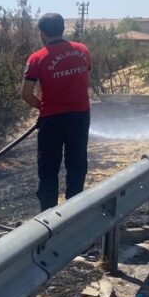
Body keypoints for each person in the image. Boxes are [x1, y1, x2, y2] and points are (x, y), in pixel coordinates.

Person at [21, 13, 92, 211]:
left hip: (51, 121)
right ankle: (74, 213)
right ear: (63, 28)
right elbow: (84, 79)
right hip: (80, 117)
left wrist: (43, 106)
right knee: (77, 166)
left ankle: (48, 218)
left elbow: (25, 94)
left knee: (48, 170)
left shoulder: (37, 58)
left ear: (42, 33)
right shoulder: (83, 51)